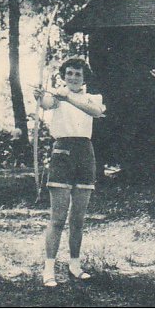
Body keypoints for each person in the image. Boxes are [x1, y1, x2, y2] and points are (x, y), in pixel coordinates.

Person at [34, 58, 106, 287]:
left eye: (78, 74)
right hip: (62, 153)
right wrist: (40, 96)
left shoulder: (92, 97)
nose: (74, 77)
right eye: (70, 73)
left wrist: (69, 98)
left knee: (78, 219)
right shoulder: (56, 96)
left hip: (85, 154)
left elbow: (95, 112)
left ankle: (75, 265)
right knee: (58, 217)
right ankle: (49, 269)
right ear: (63, 76)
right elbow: (46, 103)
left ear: (85, 77)